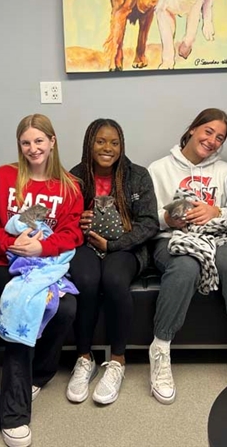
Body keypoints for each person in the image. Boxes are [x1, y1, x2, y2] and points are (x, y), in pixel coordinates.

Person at [0, 114, 83, 447]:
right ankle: (15, 412)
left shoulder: (68, 186)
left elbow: (71, 233)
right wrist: (11, 243)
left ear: (52, 142)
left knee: (66, 309)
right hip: (4, 264)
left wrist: (40, 246)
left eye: (39, 141)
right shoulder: (3, 177)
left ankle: (40, 374)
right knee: (24, 304)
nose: (33, 148)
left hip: (46, 265)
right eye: (26, 142)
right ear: (19, 146)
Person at [147, 108, 227, 405]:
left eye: (220, 137)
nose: (212, 140)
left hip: (217, 237)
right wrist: (169, 219)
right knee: (185, 268)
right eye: (208, 131)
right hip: (171, 239)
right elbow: (147, 219)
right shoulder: (158, 168)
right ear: (192, 129)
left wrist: (216, 211)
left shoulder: (225, 171)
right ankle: (160, 349)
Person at [67, 119, 159, 405]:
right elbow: (62, 220)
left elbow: (149, 223)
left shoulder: (138, 175)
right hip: (86, 245)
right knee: (85, 279)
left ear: (122, 146)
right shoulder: (76, 176)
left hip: (125, 248)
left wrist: (115, 244)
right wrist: (78, 220)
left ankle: (117, 361)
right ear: (89, 143)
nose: (108, 148)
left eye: (114, 142)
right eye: (101, 141)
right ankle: (84, 358)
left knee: (115, 279)